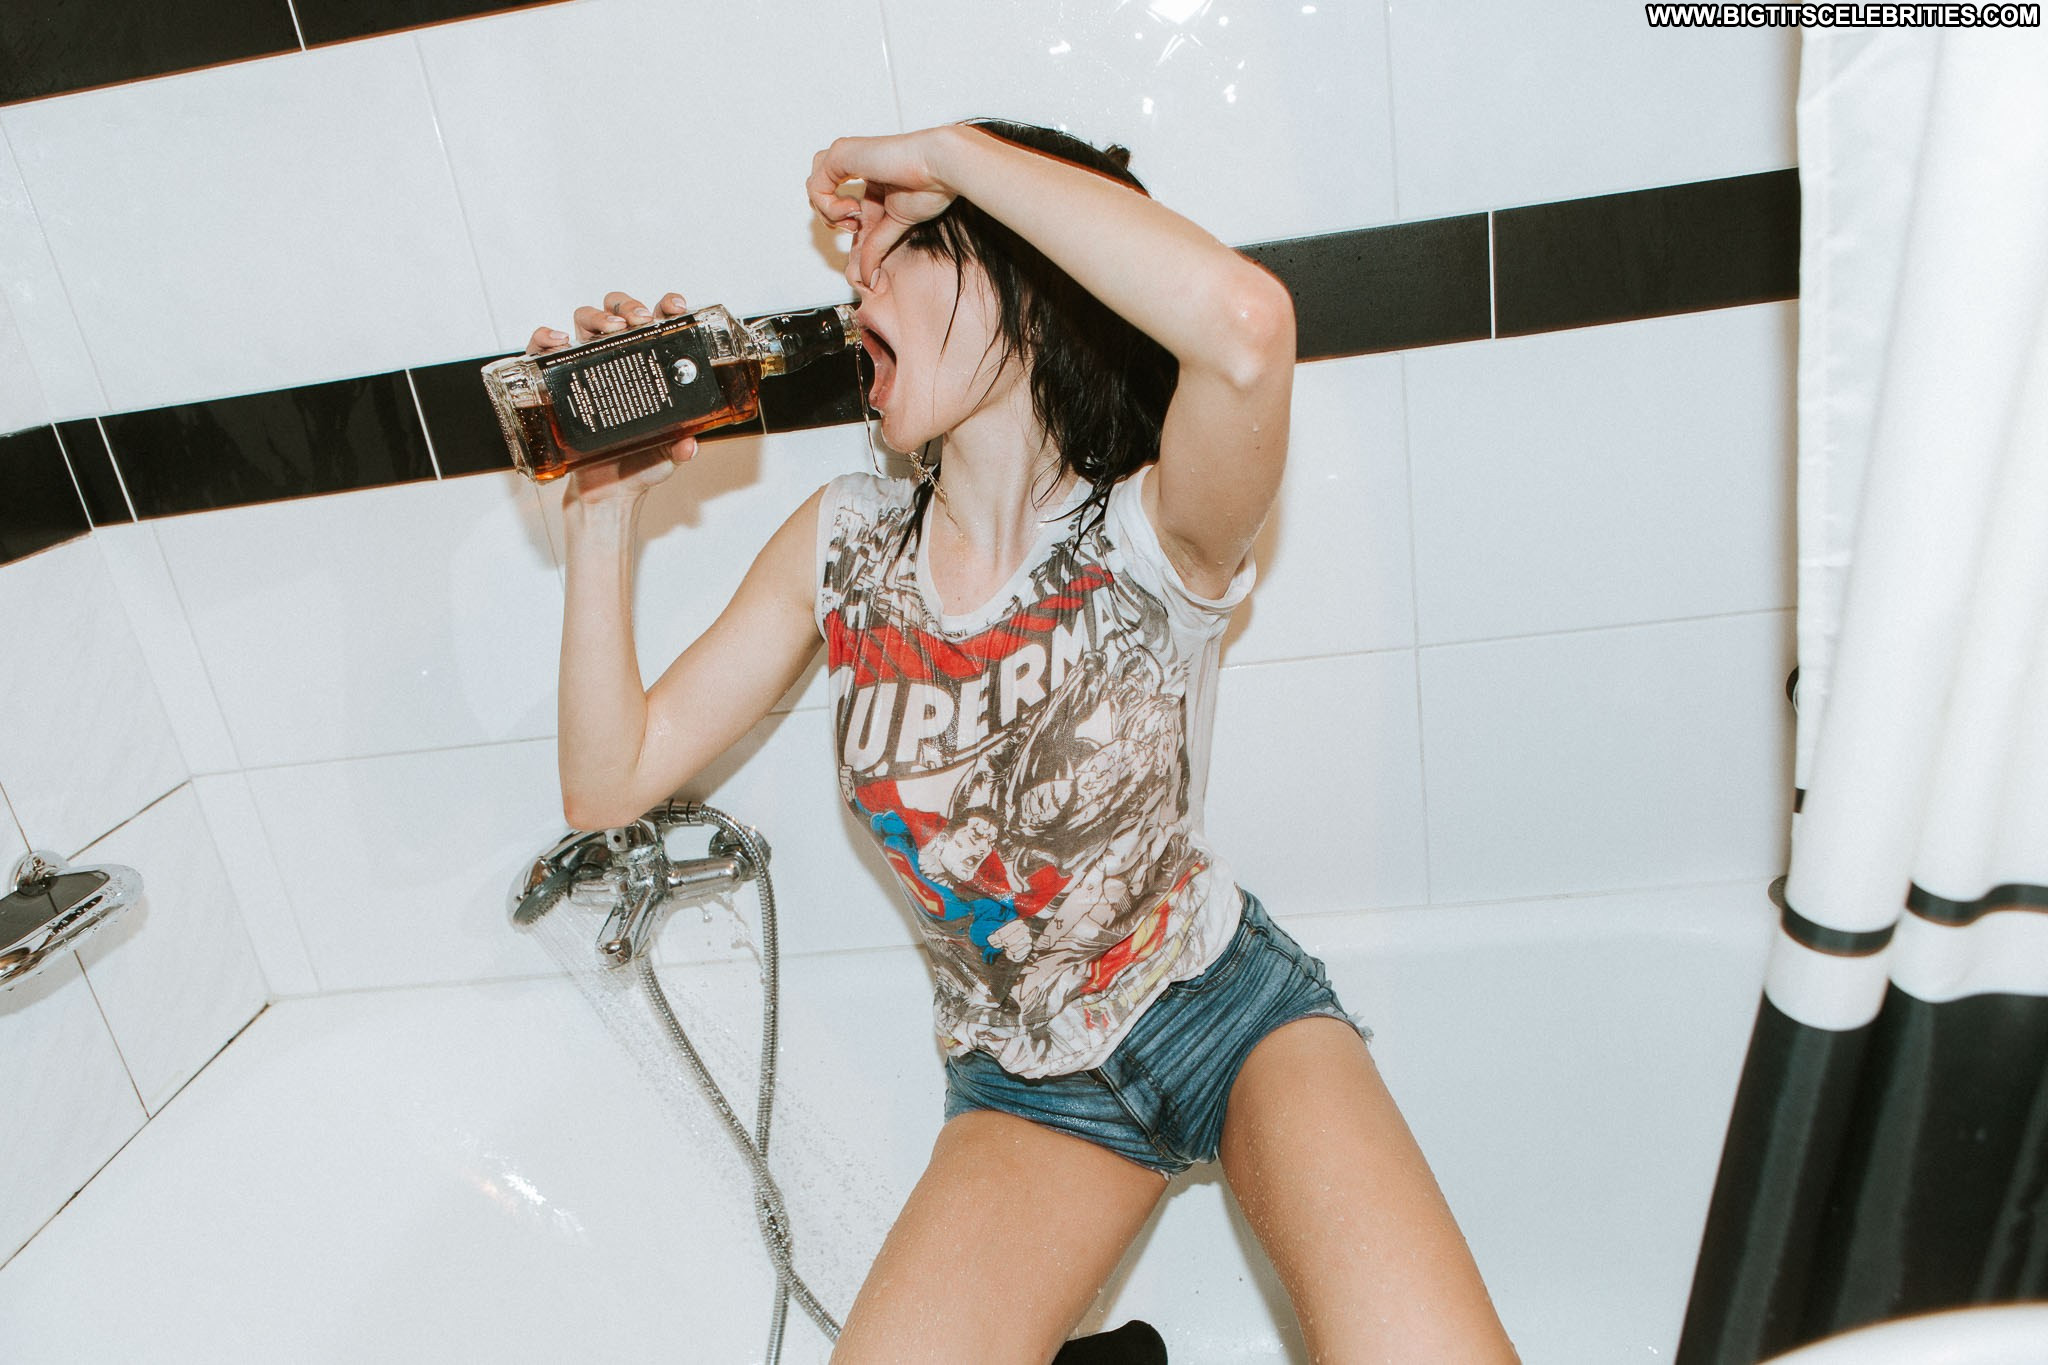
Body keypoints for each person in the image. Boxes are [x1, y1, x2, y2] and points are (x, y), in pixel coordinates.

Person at [539, 118, 1518, 1364]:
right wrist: (602, 515)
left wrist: (949, 152)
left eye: (894, 246)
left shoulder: (1154, 532)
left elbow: (1245, 326)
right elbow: (605, 782)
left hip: (1224, 1016)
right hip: (1025, 1088)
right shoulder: (843, 545)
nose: (854, 281)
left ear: (1017, 276)